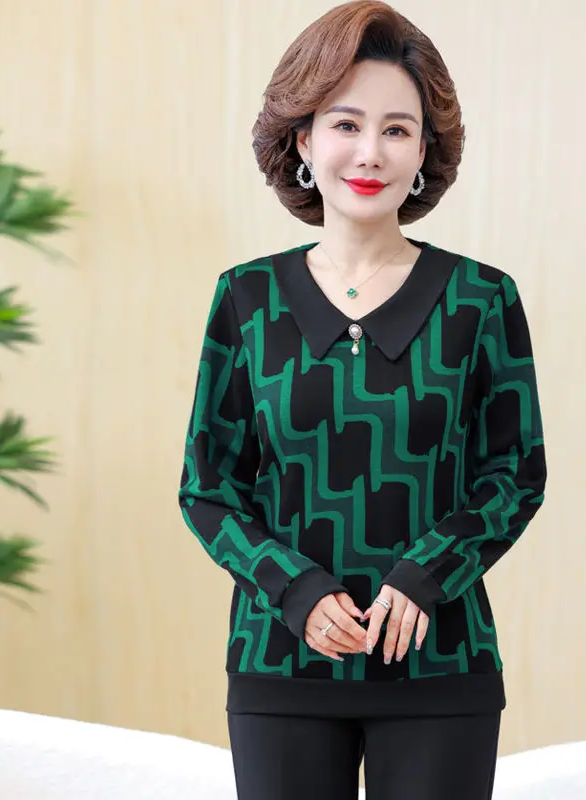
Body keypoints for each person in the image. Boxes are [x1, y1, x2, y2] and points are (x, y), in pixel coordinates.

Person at [178, 2, 547, 798]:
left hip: (441, 666)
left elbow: (515, 474)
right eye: (346, 124)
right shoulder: (246, 299)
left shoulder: (481, 300)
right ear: (303, 141)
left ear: (424, 153)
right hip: (280, 667)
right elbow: (208, 488)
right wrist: (295, 590)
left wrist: (425, 575)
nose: (371, 152)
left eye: (397, 130)